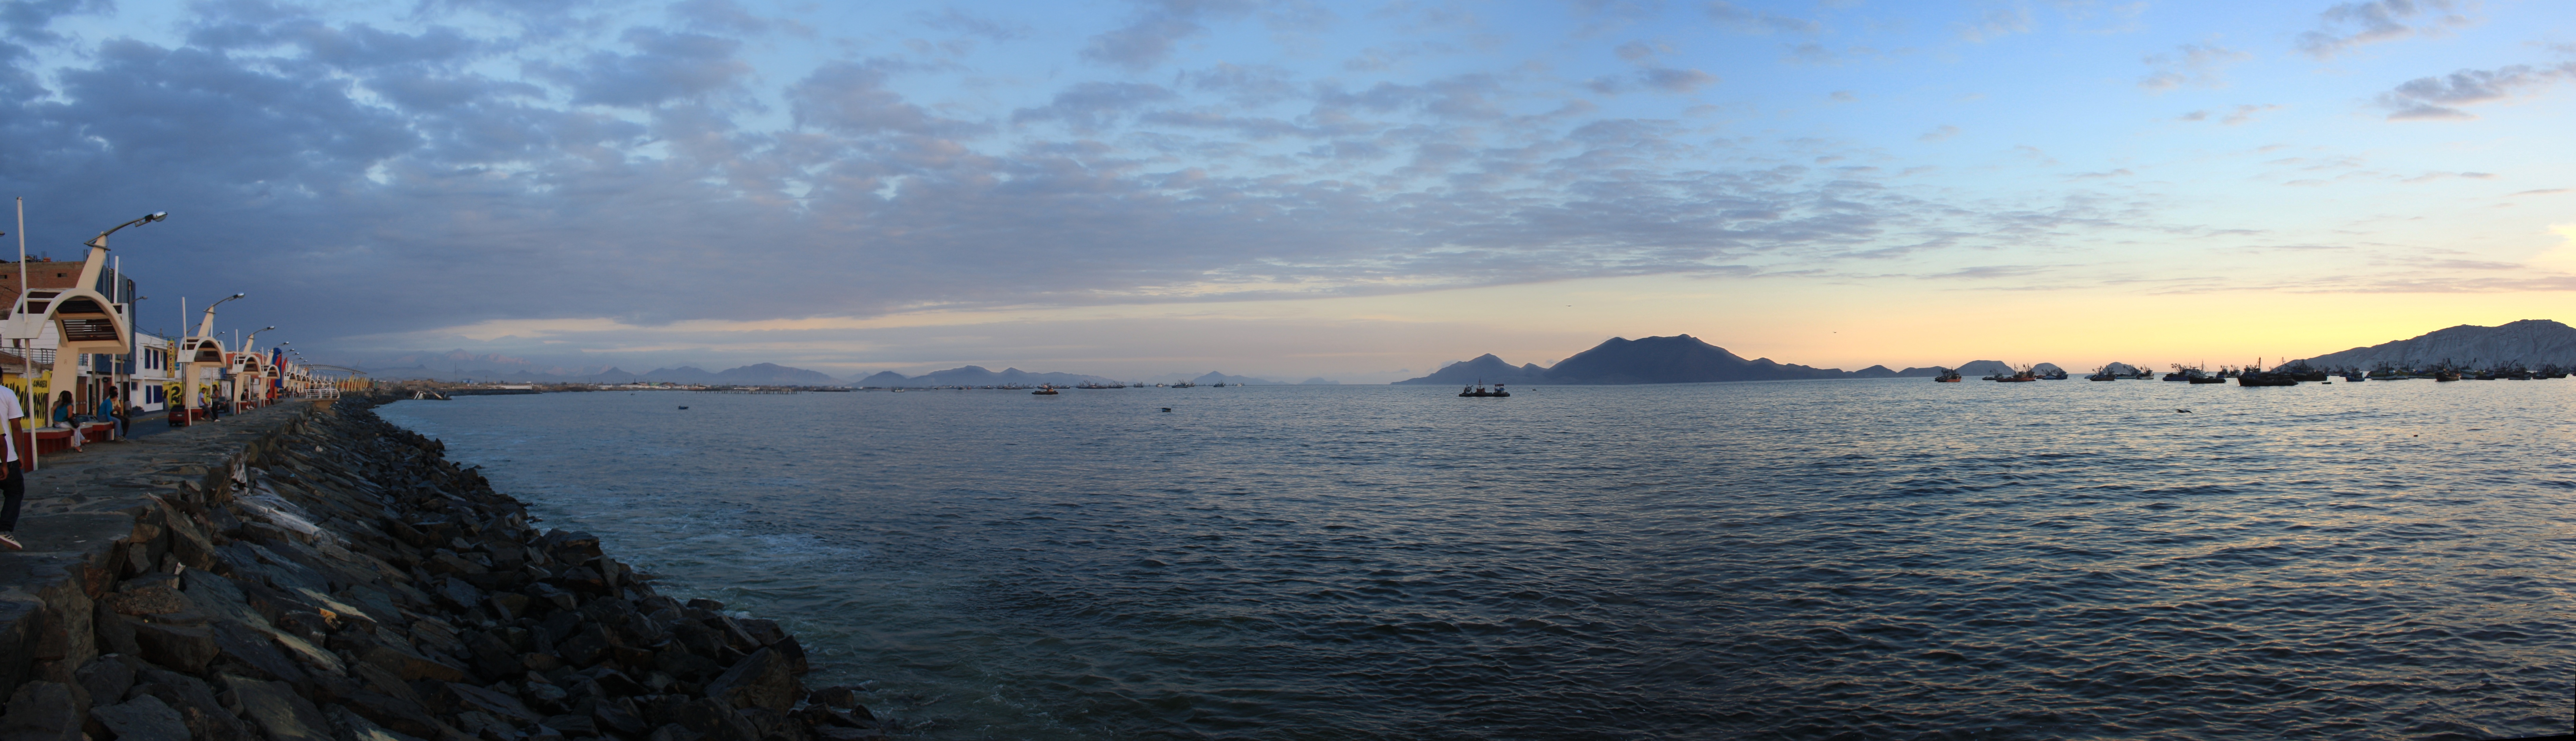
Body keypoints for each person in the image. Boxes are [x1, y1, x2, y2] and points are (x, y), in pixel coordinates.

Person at [0, 387, 21, 550]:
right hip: (7, 457)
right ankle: (4, 528)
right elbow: (15, 427)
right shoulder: (7, 394)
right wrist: (19, 454)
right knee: (15, 491)